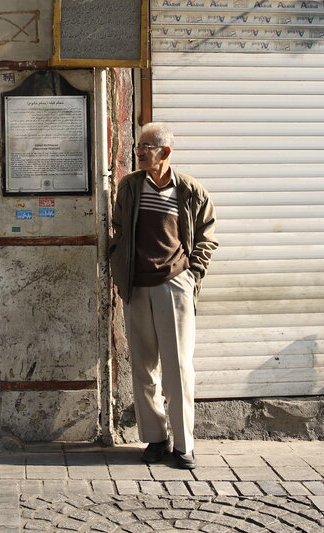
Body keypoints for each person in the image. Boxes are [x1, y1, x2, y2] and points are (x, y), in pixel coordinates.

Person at [109, 122, 218, 469]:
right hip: (136, 286)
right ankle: (155, 439)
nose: (139, 152)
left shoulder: (189, 190)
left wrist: (192, 273)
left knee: (178, 368)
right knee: (143, 369)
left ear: (165, 152)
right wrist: (118, 261)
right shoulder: (129, 187)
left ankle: (184, 445)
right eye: (138, 146)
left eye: (146, 147)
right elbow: (119, 229)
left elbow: (207, 235)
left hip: (175, 284)